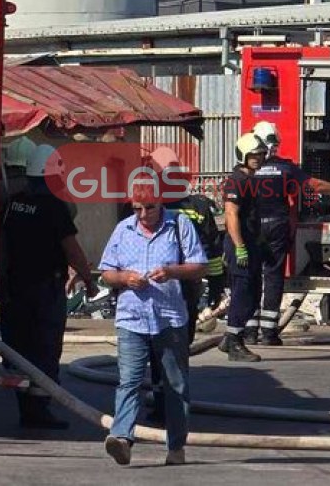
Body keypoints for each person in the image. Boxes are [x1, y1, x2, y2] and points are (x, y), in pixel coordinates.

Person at [100, 184, 208, 467]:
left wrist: (172, 271)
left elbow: (200, 265)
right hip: (132, 318)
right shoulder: (124, 229)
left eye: (149, 208)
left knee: (175, 384)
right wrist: (124, 278)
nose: (143, 214)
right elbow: (107, 271)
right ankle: (122, 438)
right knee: (130, 381)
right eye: (137, 208)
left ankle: (176, 448)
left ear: (160, 203)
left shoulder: (178, 225)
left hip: (169, 318)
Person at [0, 144, 96, 430]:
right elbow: (72, 250)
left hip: (14, 288)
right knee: (44, 350)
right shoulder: (55, 207)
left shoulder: (13, 203)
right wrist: (88, 279)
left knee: (19, 348)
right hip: (44, 289)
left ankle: (25, 406)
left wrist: (0, 278)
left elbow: (1, 243)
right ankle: (38, 410)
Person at [246, 121, 330, 347]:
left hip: (252, 229)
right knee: (273, 278)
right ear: (274, 144)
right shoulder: (285, 169)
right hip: (277, 228)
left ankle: (249, 332)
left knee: (251, 278)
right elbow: (315, 186)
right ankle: (269, 334)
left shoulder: (246, 170)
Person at [141, 147, 225, 426]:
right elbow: (212, 248)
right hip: (184, 287)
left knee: (159, 349)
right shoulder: (198, 206)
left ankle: (165, 404)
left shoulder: (150, 207)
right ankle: (172, 404)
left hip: (161, 289)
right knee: (176, 348)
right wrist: (215, 284)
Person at [217, 133, 269, 363]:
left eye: (260, 154)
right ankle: (234, 341)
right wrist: (239, 246)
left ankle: (231, 338)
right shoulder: (236, 180)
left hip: (252, 245)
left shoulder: (252, 180)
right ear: (243, 156)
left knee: (253, 294)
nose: (258, 158)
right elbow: (231, 214)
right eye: (254, 155)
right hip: (241, 246)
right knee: (243, 294)